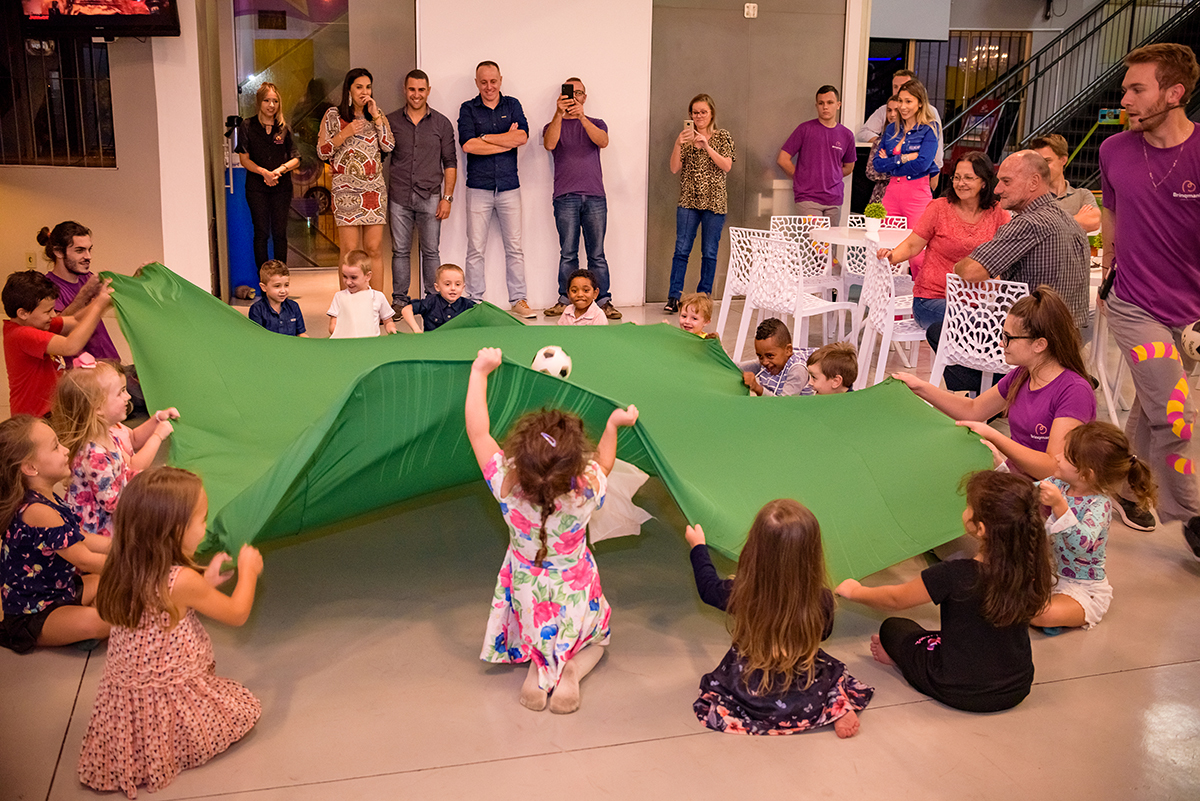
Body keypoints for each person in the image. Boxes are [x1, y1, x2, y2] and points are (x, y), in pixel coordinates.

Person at [466, 347, 639, 713]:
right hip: (575, 585)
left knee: (537, 632)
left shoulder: (506, 487)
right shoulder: (585, 491)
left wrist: (480, 372)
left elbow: (479, 432)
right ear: (575, 464)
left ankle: (537, 667)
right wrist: (612, 425)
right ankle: (570, 670)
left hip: (528, 588)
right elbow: (605, 463)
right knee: (596, 642)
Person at [77, 468, 264, 798]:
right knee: (242, 709)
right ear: (174, 531)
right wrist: (248, 572)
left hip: (127, 702)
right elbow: (237, 614)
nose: (205, 527)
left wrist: (204, 583)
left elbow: (161, 604)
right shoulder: (181, 581)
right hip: (169, 695)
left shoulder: (125, 564)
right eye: (202, 520)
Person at [836, 470, 1053, 713]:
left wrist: (855, 591)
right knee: (964, 633)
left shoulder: (955, 574)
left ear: (980, 528)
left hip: (957, 688)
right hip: (1017, 687)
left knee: (894, 628)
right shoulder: (1033, 566)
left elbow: (895, 599)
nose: (965, 510)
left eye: (968, 506)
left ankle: (900, 659)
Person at [1098, 43, 1200, 547]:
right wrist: (1108, 266)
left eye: (1138, 89)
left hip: (1191, 316)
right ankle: (1191, 514)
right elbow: (1112, 212)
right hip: (1133, 304)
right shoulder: (1113, 150)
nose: (1127, 101)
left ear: (1174, 93)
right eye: (1125, 90)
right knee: (1175, 410)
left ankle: (1126, 483)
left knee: (1151, 402)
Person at [685, 500, 873, 736]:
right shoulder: (821, 600)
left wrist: (698, 546)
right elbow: (823, 634)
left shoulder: (741, 594)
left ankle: (793, 710)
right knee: (828, 673)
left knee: (725, 693)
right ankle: (836, 707)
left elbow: (707, 587)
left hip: (751, 685)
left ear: (754, 549)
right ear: (812, 554)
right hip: (805, 683)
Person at [895, 287, 1096, 480]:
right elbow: (973, 409)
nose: (1001, 344)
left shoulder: (1074, 391)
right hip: (1017, 483)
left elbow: (1053, 468)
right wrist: (919, 387)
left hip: (1049, 498)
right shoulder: (1023, 375)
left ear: (1039, 344)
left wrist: (994, 436)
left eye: (1008, 338)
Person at [1033, 422, 1158, 635]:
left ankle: (1054, 613)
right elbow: (1024, 492)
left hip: (1084, 589)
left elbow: (1079, 545)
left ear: (1086, 474)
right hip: (1053, 577)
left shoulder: (1099, 505)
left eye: (1065, 456)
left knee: (1039, 613)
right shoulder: (1060, 484)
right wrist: (1001, 468)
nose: (1056, 457)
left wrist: (1060, 506)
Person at [0, 416, 109, 653]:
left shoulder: (48, 497)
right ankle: (73, 628)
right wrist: (138, 565)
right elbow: (84, 559)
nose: (66, 450)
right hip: (35, 613)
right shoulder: (38, 511)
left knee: (108, 582)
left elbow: (81, 537)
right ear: (30, 467)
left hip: (61, 590)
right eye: (55, 446)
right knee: (103, 621)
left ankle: (74, 628)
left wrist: (123, 545)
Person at [952, 151, 1091, 331]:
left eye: (1006, 181)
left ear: (1034, 182)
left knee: (943, 327)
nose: (997, 189)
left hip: (1028, 336)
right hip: (1068, 338)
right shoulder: (1071, 221)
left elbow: (971, 272)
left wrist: (957, 267)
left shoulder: (1028, 223)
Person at [877, 152, 1008, 329]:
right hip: (932, 299)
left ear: (984, 182)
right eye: (957, 177)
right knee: (982, 325)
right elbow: (912, 245)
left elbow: (1007, 254)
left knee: (1001, 324)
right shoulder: (939, 208)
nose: (961, 183)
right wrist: (890, 256)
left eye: (968, 178)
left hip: (979, 302)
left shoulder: (998, 213)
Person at [51, 361, 179, 538]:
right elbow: (114, 503)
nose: (128, 397)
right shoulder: (93, 455)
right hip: (99, 532)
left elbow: (123, 473)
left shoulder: (108, 434)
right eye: (120, 393)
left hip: (114, 515)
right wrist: (150, 491)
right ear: (98, 409)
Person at [458, 61, 534, 318]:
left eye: (493, 81)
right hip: (478, 188)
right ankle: (474, 301)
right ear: (476, 83)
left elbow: (522, 137)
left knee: (515, 247)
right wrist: (505, 140)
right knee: (475, 248)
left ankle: (518, 299)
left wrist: (486, 139)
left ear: (500, 80)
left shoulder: (512, 105)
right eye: (483, 82)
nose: (489, 87)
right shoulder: (468, 108)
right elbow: (468, 146)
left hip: (509, 187)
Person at [543, 77, 620, 320]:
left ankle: (603, 301)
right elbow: (549, 143)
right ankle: (566, 300)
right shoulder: (552, 124)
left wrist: (582, 117)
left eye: (578, 93)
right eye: (569, 92)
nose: (574, 96)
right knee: (568, 253)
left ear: (585, 97)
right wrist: (559, 114)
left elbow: (603, 141)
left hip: (595, 196)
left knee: (597, 253)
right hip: (565, 196)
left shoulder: (596, 123)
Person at [385, 69, 457, 314]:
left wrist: (447, 198)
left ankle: (433, 299)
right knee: (400, 251)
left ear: (428, 91)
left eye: (421, 90)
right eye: (412, 89)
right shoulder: (390, 121)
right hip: (399, 196)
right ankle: (399, 300)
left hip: (431, 196)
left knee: (431, 251)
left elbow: (450, 162)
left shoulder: (441, 123)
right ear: (405, 90)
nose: (416, 95)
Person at [317, 68, 395, 289]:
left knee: (374, 249)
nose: (364, 92)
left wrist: (376, 116)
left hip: (374, 190)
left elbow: (389, 145)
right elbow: (322, 151)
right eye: (359, 87)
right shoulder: (333, 115)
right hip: (346, 191)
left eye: (368, 87)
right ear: (349, 89)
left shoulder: (375, 113)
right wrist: (345, 132)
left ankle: (377, 305)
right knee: (349, 251)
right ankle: (348, 305)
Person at [3, 270, 112, 417]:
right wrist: (98, 306)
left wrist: (104, 301)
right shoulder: (21, 334)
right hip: (34, 419)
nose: (53, 315)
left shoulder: (37, 323)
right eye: (48, 311)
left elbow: (75, 321)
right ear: (23, 313)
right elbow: (70, 346)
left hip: (51, 413)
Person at [665, 93, 735, 313]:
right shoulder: (685, 138)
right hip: (688, 201)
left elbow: (726, 166)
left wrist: (706, 146)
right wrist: (678, 143)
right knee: (681, 250)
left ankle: (703, 297)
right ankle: (674, 297)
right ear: (690, 115)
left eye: (703, 112)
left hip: (715, 202)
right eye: (695, 112)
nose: (699, 116)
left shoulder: (722, 136)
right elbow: (674, 168)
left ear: (711, 113)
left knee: (710, 251)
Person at [871, 79, 941, 278]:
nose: (902, 106)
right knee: (885, 250)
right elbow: (877, 164)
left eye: (908, 101)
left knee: (917, 255)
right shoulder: (891, 129)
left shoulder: (929, 129)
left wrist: (892, 160)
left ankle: (920, 304)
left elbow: (923, 164)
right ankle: (888, 305)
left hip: (917, 193)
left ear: (920, 103)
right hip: (892, 192)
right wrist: (904, 157)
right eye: (900, 101)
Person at [235, 82, 300, 269]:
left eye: (275, 101)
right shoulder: (247, 126)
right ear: (259, 102)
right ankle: (264, 283)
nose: (271, 105)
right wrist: (264, 172)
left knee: (280, 232)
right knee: (261, 232)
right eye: (267, 100)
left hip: (282, 187)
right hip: (257, 188)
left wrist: (280, 170)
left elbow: (297, 158)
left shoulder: (284, 128)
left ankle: (281, 278)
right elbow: (244, 159)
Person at [36, 222, 119, 361]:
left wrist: (139, 278)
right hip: (83, 372)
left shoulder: (87, 277)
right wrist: (85, 294)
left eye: (89, 249)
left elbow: (114, 297)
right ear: (58, 252)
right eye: (79, 250)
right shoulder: (46, 287)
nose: (88, 257)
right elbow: (56, 328)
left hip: (109, 362)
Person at [776, 85, 857, 226]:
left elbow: (849, 167)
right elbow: (783, 159)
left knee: (829, 245)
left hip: (834, 199)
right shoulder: (805, 129)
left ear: (838, 105)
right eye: (821, 103)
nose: (825, 107)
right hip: (808, 198)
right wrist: (802, 177)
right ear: (816, 106)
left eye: (830, 102)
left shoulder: (847, 135)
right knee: (814, 245)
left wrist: (833, 175)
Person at [857, 68, 944, 176]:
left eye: (903, 86)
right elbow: (878, 164)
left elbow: (923, 163)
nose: (899, 90)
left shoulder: (930, 119)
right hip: (892, 185)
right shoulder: (887, 119)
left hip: (919, 182)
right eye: (895, 87)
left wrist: (891, 164)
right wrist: (883, 142)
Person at [1029, 134, 1101, 233]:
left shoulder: (1082, 195)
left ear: (1063, 160)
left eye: (1047, 161)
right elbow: (1031, 231)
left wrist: (1049, 226)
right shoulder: (1029, 197)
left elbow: (1094, 222)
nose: (1041, 167)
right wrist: (1077, 219)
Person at [327, 250, 396, 338]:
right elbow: (333, 323)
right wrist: (339, 331)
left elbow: (388, 321)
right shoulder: (339, 297)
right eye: (345, 276)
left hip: (371, 344)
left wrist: (391, 329)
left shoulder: (378, 297)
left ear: (368, 276)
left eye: (353, 277)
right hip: (346, 344)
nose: (348, 282)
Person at [738, 318, 810, 397]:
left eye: (770, 356)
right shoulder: (768, 362)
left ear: (788, 351)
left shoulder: (797, 371)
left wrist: (758, 388)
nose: (764, 362)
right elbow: (738, 367)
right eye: (760, 356)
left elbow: (783, 405)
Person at [399, 263, 475, 333]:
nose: (453, 288)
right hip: (432, 343)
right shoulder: (430, 302)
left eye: (458, 284)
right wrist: (416, 329)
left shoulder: (468, 305)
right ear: (437, 287)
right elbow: (406, 310)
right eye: (447, 284)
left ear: (463, 287)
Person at [248, 261, 307, 336]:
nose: (283, 291)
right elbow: (257, 337)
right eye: (277, 286)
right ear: (263, 287)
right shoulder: (257, 310)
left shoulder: (294, 306)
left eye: (286, 285)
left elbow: (301, 334)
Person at [862, 96, 900, 206]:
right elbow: (871, 172)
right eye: (889, 110)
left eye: (896, 110)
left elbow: (910, 168)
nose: (892, 114)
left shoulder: (910, 141)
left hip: (903, 195)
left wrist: (886, 163)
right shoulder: (879, 142)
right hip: (880, 196)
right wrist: (894, 167)